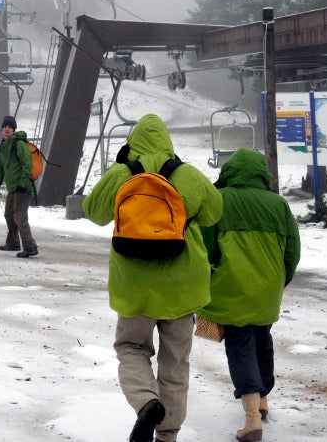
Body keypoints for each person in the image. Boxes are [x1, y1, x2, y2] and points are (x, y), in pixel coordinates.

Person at [83, 114, 223, 442]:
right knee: (175, 364)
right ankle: (167, 436)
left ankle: (147, 401)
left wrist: (121, 175)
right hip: (182, 287)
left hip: (134, 287)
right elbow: (215, 212)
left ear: (134, 143)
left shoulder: (121, 174)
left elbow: (92, 211)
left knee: (132, 347)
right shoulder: (187, 175)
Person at [197, 148, 300, 442]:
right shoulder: (278, 205)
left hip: (232, 289)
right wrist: (280, 280)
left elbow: (207, 248)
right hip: (268, 291)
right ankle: (264, 400)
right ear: (260, 174)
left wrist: (211, 279)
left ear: (229, 172)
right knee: (262, 340)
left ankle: (252, 417)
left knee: (240, 345)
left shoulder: (221, 201)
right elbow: (292, 252)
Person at [0, 115, 38, 258]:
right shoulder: (2, 147)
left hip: (23, 188)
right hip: (12, 188)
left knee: (19, 216)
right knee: (9, 215)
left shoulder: (19, 144)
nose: (7, 129)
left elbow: (27, 164)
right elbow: (0, 170)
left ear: (14, 129)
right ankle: (13, 243)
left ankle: (30, 247)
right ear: (1, 130)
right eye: (5, 126)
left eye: (10, 127)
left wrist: (23, 182)